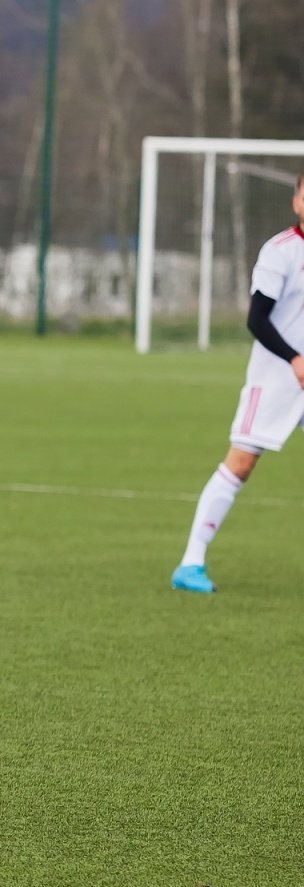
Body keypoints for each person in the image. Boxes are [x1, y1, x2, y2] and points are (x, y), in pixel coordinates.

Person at [172, 175, 304, 594]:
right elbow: (256, 318)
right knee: (241, 465)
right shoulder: (279, 252)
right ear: (297, 201)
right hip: (275, 379)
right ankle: (191, 562)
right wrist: (294, 359)